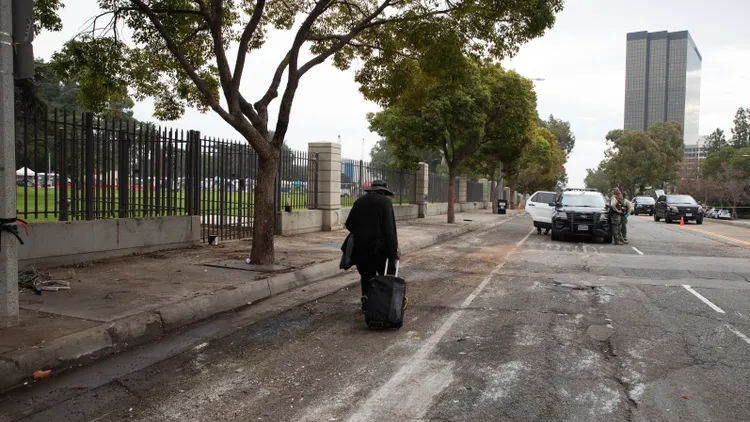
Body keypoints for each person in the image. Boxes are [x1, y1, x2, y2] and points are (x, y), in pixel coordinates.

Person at [345, 180, 399, 311]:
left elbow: (349, 224)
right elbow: (389, 230)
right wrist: (393, 252)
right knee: (384, 276)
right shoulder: (385, 202)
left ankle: (366, 301)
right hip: (380, 249)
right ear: (383, 192)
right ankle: (382, 305)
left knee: (366, 276)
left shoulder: (359, 202)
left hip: (361, 248)